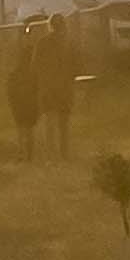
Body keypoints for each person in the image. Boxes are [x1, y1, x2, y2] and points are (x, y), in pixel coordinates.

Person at [34, 13, 80, 159]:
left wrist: (43, 79)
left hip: (48, 87)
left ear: (50, 25)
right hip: (65, 87)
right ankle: (64, 154)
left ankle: (50, 154)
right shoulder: (70, 43)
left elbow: (35, 65)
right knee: (64, 123)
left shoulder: (42, 43)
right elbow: (77, 65)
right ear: (64, 25)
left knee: (50, 121)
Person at [6, 20, 43, 161]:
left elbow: (10, 86)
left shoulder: (16, 71)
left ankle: (22, 153)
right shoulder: (34, 71)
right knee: (29, 128)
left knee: (22, 128)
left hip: (20, 98)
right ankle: (28, 155)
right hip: (30, 98)